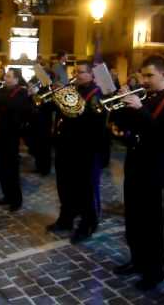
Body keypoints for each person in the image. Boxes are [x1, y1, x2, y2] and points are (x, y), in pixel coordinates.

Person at [112, 55, 164, 290]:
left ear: (163, 74)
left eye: (150, 75)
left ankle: (156, 271)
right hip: (134, 167)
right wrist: (121, 101)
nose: (145, 80)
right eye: (143, 75)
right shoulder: (147, 97)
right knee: (134, 220)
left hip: (156, 172)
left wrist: (141, 109)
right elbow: (124, 124)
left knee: (153, 224)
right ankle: (137, 260)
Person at [47, 62, 107, 243]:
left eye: (81, 72)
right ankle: (66, 218)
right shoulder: (73, 89)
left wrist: (67, 95)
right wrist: (55, 96)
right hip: (66, 145)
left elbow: (89, 118)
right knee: (65, 186)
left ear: (91, 75)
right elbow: (60, 112)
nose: (77, 75)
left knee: (85, 189)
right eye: (76, 72)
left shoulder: (97, 93)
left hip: (85, 148)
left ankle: (88, 224)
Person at [0, 69, 31, 212]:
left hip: (11, 135)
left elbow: (11, 104)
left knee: (11, 169)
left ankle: (16, 200)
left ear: (17, 79)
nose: (5, 78)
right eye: (6, 76)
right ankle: (6, 195)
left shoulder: (21, 92)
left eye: (9, 76)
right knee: (0, 168)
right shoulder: (3, 90)